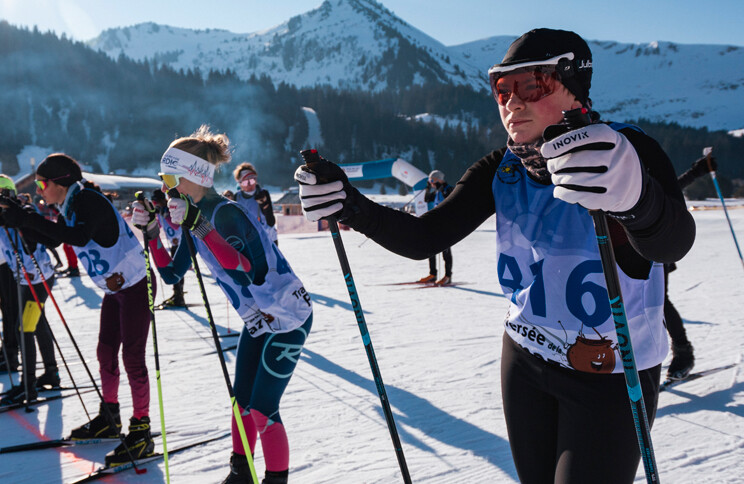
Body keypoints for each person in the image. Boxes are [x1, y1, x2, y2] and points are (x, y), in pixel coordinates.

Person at [296, 29, 694, 483]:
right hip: (524, 359)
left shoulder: (626, 152)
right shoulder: (502, 167)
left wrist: (636, 199)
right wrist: (348, 203)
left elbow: (672, 244)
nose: (512, 103)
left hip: (611, 370)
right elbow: (425, 237)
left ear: (574, 87)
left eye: (531, 85)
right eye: (502, 90)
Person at [142, 127, 312, 484]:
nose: (164, 188)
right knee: (241, 403)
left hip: (287, 316)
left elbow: (247, 269)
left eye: (170, 179)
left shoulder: (225, 214)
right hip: (259, 320)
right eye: (163, 180)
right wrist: (152, 236)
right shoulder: (196, 218)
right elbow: (172, 275)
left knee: (263, 409)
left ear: (195, 177)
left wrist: (199, 225)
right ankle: (240, 474)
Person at [0, 153, 154, 466]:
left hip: (136, 284)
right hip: (116, 289)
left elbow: (78, 236)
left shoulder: (89, 200)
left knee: (132, 358)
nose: (40, 189)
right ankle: (110, 416)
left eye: (43, 183)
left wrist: (29, 220)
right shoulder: (71, 204)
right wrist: (21, 221)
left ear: (60, 183)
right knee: (105, 352)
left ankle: (141, 431)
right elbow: (56, 241)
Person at [0, 176, 62, 405]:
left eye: (5, 192)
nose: (1, 198)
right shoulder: (0, 216)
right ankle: (51, 373)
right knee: (37, 324)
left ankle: (28, 386)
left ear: (13, 193)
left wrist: (27, 232)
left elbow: (37, 232)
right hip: (25, 279)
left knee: (24, 328)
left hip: (37, 278)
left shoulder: (23, 210)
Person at [661, 154, 717, 379]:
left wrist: (696, 172)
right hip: (607, 249)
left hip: (648, 246)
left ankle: (684, 353)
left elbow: (664, 189)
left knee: (658, 302)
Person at [416, 170, 456, 285]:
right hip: (436, 224)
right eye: (430, 181)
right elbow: (427, 199)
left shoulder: (448, 189)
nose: (431, 183)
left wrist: (441, 188)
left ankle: (448, 276)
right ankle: (432, 274)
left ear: (439, 180)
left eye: (432, 180)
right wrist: (428, 188)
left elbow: (451, 201)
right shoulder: (437, 191)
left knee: (446, 251)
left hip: (447, 225)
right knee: (431, 249)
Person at [231, 163, 278, 244]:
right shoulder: (237, 197)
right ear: (239, 183)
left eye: (252, 180)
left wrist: (265, 206)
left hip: (268, 237)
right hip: (249, 239)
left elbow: (271, 222)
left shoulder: (263, 193)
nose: (249, 184)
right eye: (245, 182)